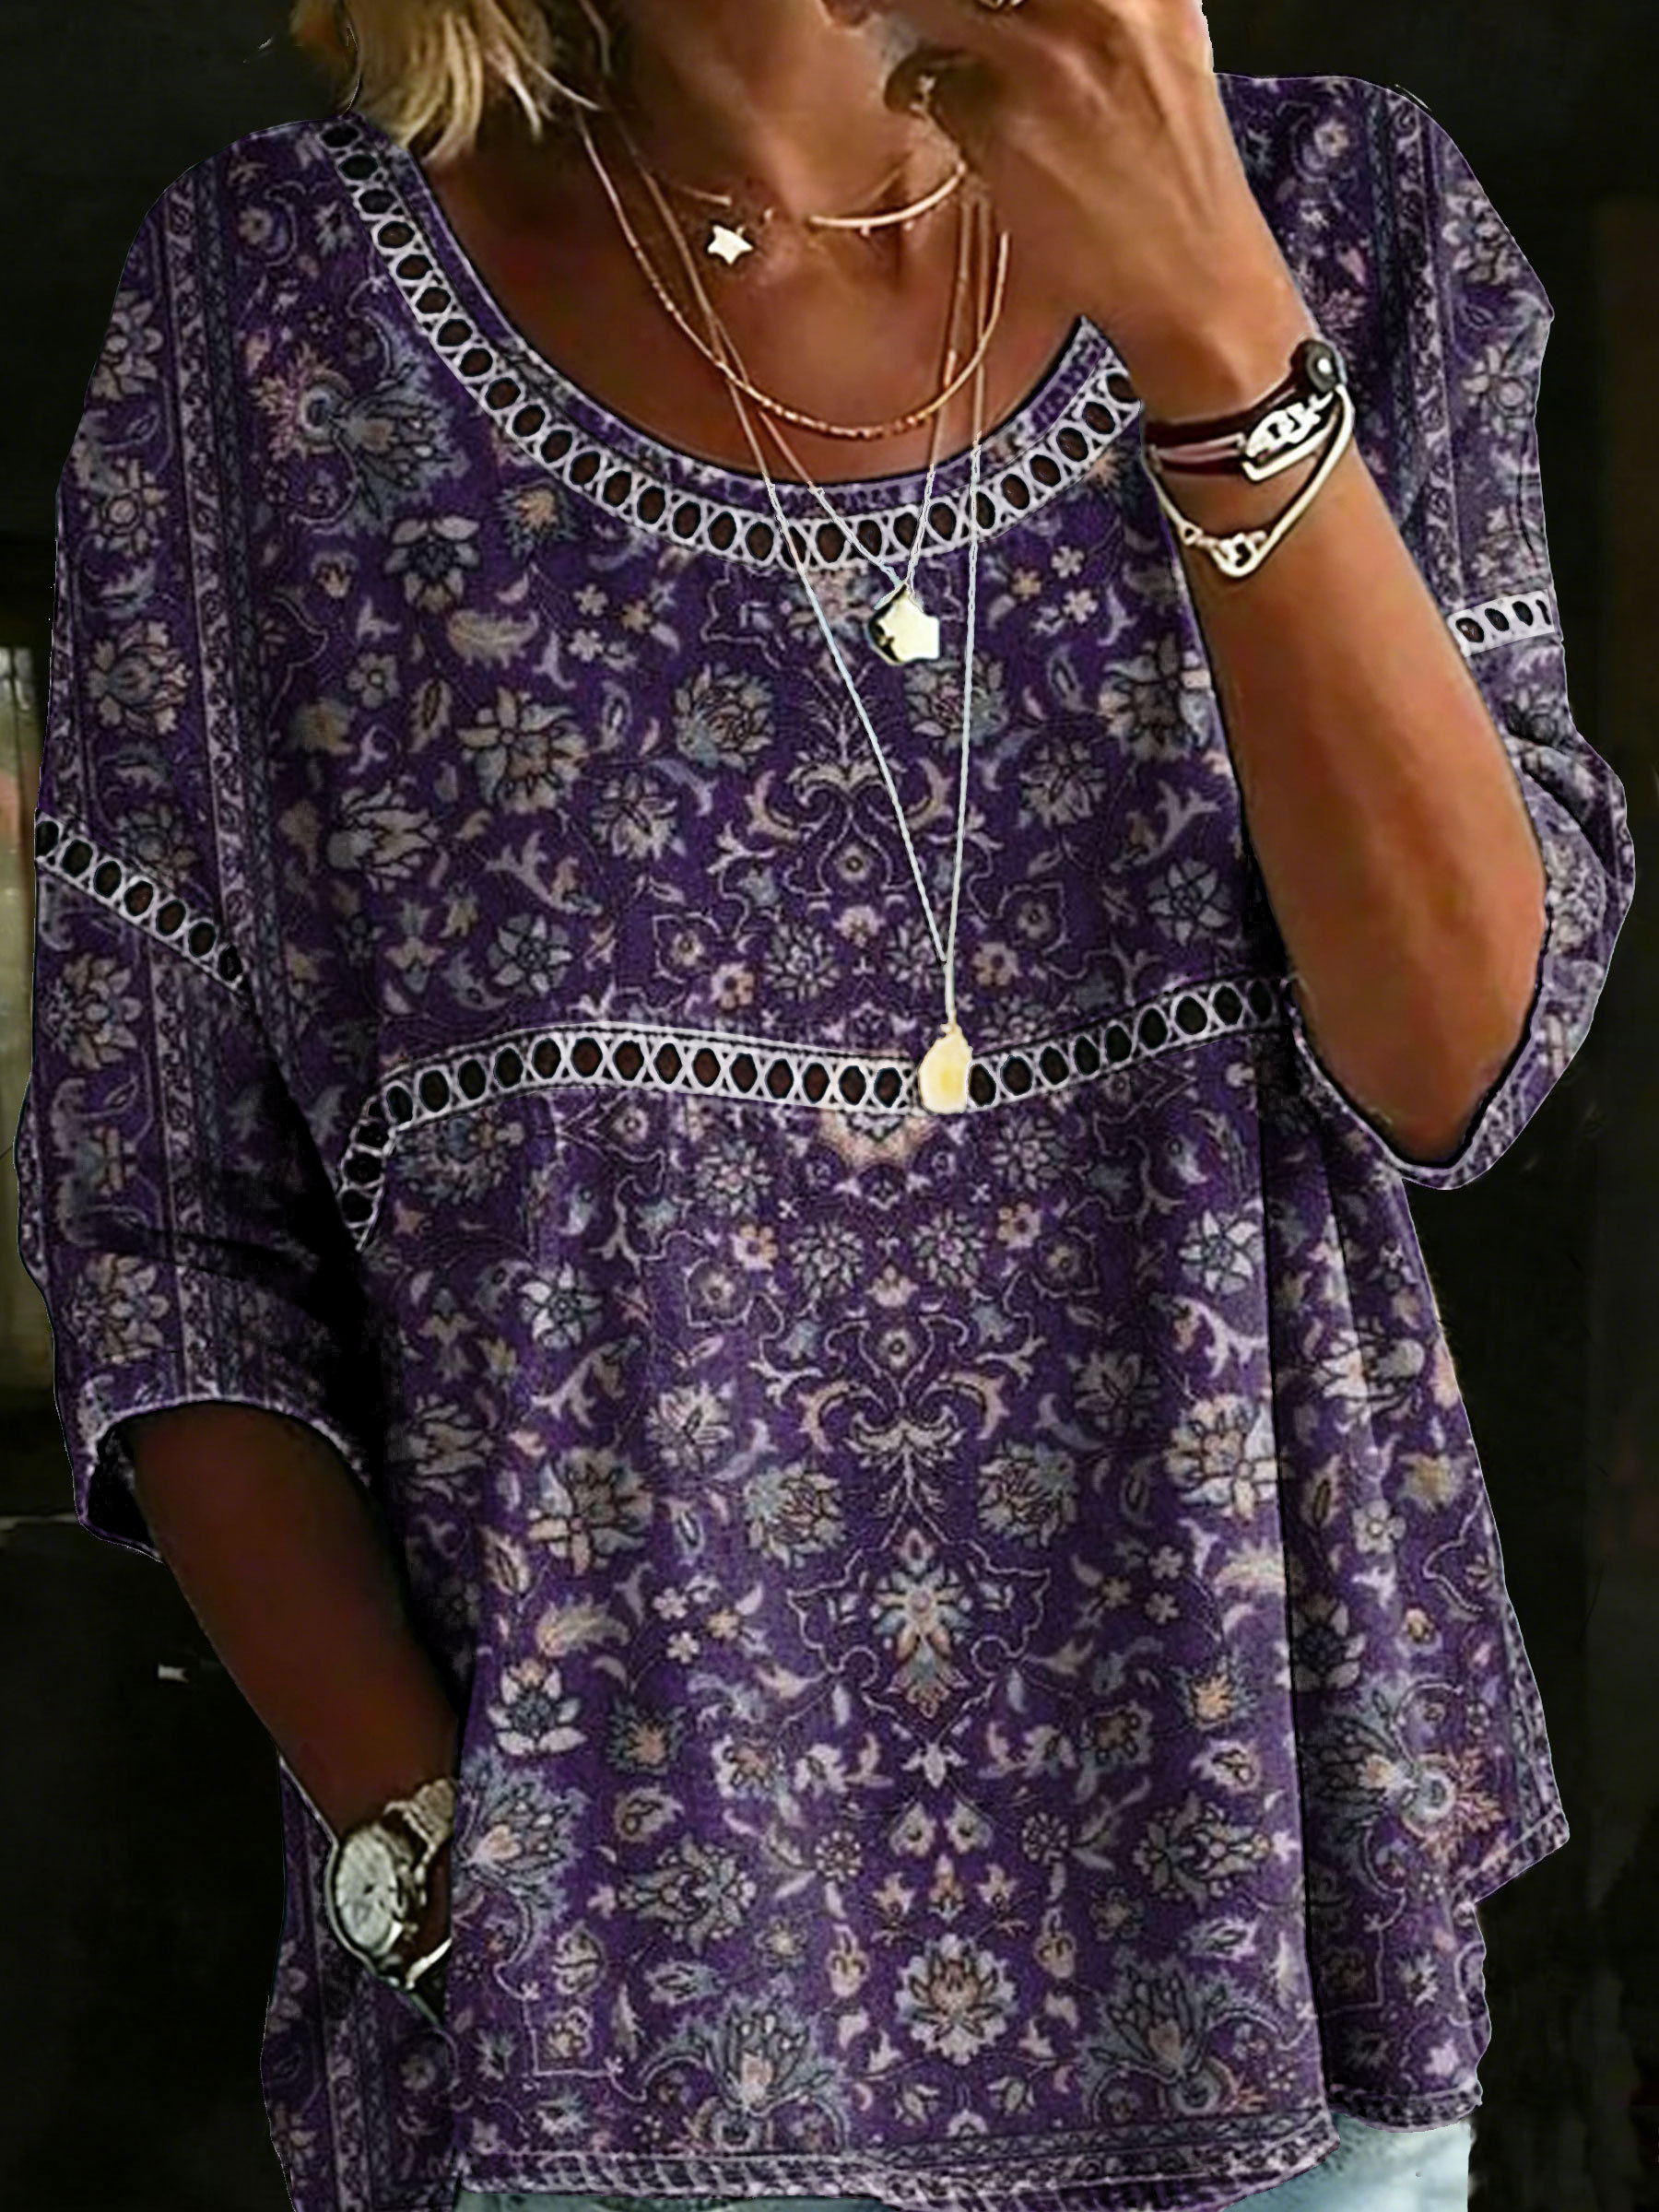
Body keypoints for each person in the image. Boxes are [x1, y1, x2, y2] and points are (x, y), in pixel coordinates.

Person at [13, 0, 1634, 2208]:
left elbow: (1465, 1060)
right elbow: (162, 1218)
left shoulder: (1341, 217)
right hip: (590, 2064)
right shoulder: (272, 312)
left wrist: (1213, 330)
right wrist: (443, 1874)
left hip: (1274, 1971)